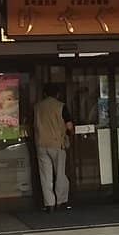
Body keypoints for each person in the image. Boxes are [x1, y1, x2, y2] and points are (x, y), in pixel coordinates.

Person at [34, 83, 73, 213]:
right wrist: (69, 135)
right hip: (57, 144)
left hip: (41, 144)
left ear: (44, 94)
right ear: (58, 94)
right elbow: (69, 126)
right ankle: (61, 201)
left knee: (46, 176)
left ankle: (49, 204)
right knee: (60, 174)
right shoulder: (61, 106)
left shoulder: (37, 107)